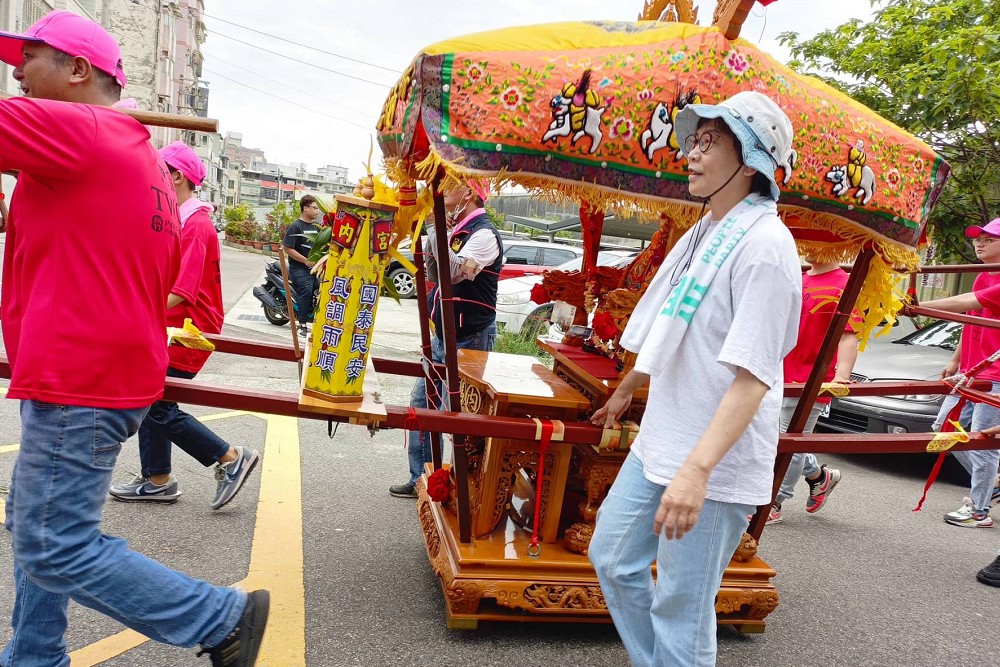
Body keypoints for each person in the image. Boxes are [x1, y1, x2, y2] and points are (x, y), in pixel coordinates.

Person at [0, 11, 268, 666]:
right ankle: (34, 653)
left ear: (78, 69)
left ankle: (220, 617)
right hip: (93, 371)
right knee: (32, 523)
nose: (15, 71)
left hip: (79, 375)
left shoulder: (82, 130)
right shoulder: (133, 152)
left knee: (52, 541)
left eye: (27, 58)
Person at [588, 91, 801, 666]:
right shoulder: (704, 231)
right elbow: (674, 326)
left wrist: (697, 472)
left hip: (714, 462)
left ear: (752, 158)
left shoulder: (764, 247)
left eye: (709, 143)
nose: (691, 154)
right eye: (694, 140)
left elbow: (754, 378)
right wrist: (630, 384)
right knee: (611, 556)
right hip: (664, 437)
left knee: (683, 609)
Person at [108, 141, 260, 510]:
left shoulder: (197, 225)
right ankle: (158, 480)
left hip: (191, 331)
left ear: (175, 177)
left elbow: (182, 290)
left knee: (156, 405)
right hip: (174, 327)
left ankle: (229, 457)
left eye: (157, 171)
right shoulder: (180, 218)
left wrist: (136, 314)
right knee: (153, 399)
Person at [389, 180, 503, 498]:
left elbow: (450, 275)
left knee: (455, 414)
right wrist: (433, 229)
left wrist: (433, 224)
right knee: (421, 404)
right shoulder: (456, 230)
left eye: (449, 186)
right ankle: (422, 477)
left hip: (470, 337)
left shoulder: (483, 234)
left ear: (468, 193)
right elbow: (435, 273)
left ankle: (459, 485)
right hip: (444, 333)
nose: (441, 192)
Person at [920, 217, 1000, 528]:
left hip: (994, 375)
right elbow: (971, 320)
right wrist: (956, 360)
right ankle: (990, 480)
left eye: (988, 239)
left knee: (981, 442)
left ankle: (979, 510)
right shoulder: (983, 276)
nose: (979, 243)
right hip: (972, 371)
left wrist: (917, 306)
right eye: (978, 238)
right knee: (943, 430)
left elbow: (964, 301)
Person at [768, 257, 859, 524]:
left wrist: (841, 376)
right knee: (773, 438)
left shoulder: (843, 283)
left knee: (790, 443)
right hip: (780, 373)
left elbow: (848, 334)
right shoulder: (800, 276)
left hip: (810, 379)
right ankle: (819, 476)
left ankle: (775, 502)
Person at [282, 194, 322, 337]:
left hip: (315, 268)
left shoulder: (317, 227)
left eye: (318, 209)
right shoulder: (295, 226)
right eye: (315, 208)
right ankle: (302, 324)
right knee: (306, 288)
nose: (317, 211)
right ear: (305, 208)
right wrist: (305, 260)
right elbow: (288, 248)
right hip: (299, 268)